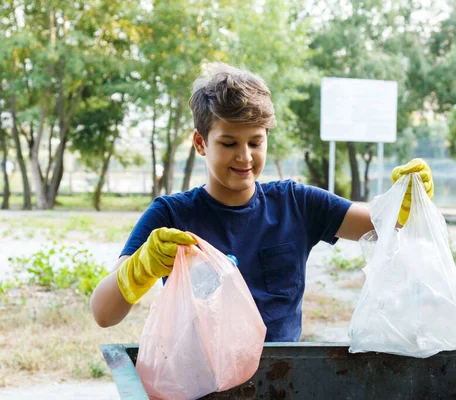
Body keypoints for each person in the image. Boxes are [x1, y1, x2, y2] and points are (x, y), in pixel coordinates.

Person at [89, 63, 434, 342]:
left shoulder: (297, 203)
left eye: (255, 142)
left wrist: (406, 202)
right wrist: (143, 266)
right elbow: (104, 314)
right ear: (200, 143)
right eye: (228, 143)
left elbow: (386, 223)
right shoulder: (171, 215)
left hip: (283, 381)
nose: (244, 157)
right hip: (200, 384)